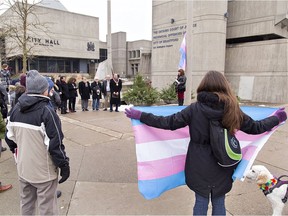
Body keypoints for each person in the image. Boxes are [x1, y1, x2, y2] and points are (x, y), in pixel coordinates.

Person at [125, 70, 287, 216]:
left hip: (198, 162)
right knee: (219, 200)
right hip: (223, 162)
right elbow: (256, 127)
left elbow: (168, 122)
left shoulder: (194, 109)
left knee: (201, 200)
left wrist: (140, 115)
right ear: (224, 87)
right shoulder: (231, 108)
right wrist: (277, 117)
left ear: (204, 86)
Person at [5, 70, 70, 215]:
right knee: (47, 208)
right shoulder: (47, 111)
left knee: (26, 204)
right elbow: (56, 144)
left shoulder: (15, 109)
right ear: (43, 89)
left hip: (23, 168)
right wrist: (64, 165)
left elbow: (9, 138)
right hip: (44, 172)